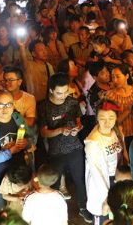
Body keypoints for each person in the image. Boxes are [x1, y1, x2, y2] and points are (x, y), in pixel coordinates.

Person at [37, 73, 90, 222]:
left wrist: (77, 128)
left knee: (80, 180)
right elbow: (44, 132)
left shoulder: (72, 102)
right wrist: (60, 130)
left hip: (75, 147)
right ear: (51, 90)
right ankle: (53, 213)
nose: (64, 96)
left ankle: (83, 208)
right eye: (59, 93)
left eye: (66, 91)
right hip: (56, 151)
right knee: (54, 183)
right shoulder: (43, 106)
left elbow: (79, 122)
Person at [85, 100, 126, 224]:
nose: (107, 123)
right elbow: (97, 173)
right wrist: (106, 199)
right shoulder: (93, 142)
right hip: (103, 183)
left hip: (117, 179)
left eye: (111, 118)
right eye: (102, 119)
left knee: (116, 216)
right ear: (97, 118)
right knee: (104, 218)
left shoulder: (115, 132)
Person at [103, 65, 133, 139]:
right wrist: (128, 110)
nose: (115, 80)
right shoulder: (110, 96)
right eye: (113, 77)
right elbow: (111, 122)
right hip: (123, 136)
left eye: (118, 77)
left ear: (127, 76)